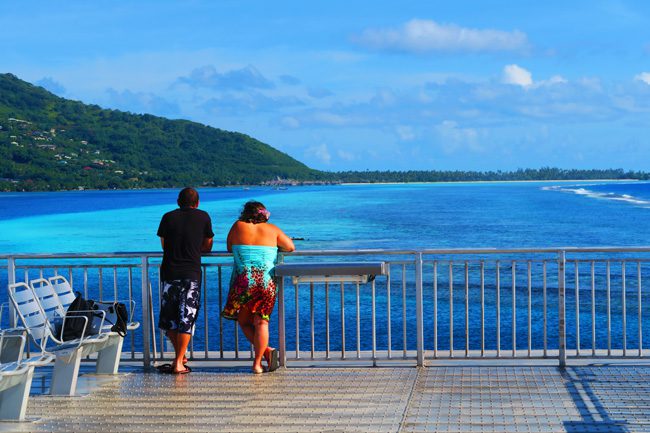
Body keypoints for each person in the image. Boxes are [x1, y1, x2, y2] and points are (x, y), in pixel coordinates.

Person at [221, 200, 295, 374]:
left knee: (244, 321)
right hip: (265, 282)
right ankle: (258, 363)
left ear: (245, 213)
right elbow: (290, 247)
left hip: (243, 282)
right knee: (261, 322)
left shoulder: (237, 226)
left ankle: (266, 352)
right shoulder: (273, 230)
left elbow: (229, 246)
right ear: (264, 214)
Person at [157, 187, 214, 374]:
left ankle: (179, 357)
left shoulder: (167, 217)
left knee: (169, 320)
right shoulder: (203, 216)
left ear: (178, 202)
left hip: (169, 273)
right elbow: (208, 245)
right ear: (197, 203)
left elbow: (164, 245)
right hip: (191, 275)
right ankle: (180, 361)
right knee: (186, 319)